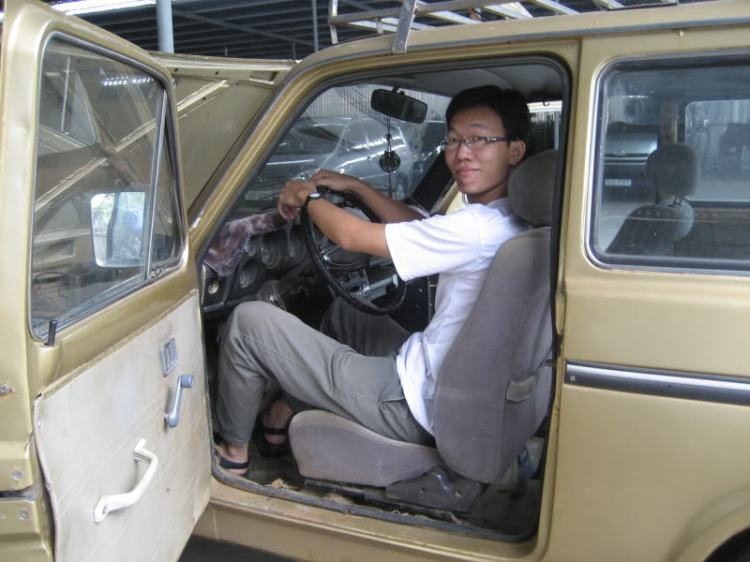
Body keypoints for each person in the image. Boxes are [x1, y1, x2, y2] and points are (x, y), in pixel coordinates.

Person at [215, 85, 530, 476]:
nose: (462, 152)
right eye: (453, 140)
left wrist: (307, 198)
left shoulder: (477, 229)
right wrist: (358, 188)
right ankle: (279, 417)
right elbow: (422, 227)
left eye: (479, 139)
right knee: (347, 316)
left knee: (248, 323)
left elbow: (350, 237)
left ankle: (233, 459)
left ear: (514, 151)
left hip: (412, 404)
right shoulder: (513, 220)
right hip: (455, 386)